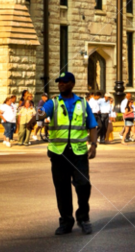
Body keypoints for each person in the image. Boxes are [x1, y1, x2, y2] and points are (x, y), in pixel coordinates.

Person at [39, 72, 98, 235]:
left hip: (79, 154)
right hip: (59, 153)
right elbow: (42, 113)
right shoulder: (53, 103)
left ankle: (83, 218)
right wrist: (36, 118)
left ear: (72, 83)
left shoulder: (83, 103)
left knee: (84, 185)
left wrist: (93, 144)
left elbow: (92, 125)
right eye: (59, 83)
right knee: (62, 188)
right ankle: (66, 221)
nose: (61, 85)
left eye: (64, 82)